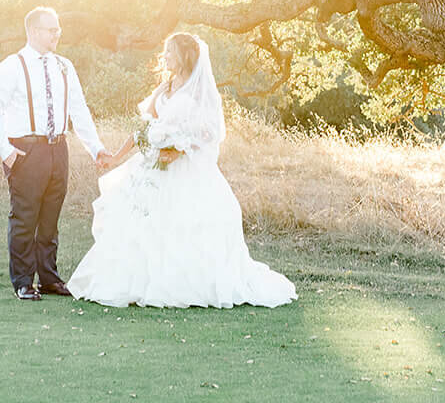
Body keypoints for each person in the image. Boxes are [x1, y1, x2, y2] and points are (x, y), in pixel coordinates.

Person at [68, 32, 296, 309]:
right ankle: (138, 283)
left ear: (184, 56)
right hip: (154, 166)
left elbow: (209, 133)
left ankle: (183, 285)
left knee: (183, 225)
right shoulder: (165, 87)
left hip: (186, 170)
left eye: (169, 52)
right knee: (143, 225)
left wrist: (178, 150)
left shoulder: (200, 91)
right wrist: (116, 156)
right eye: (164, 51)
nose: (164, 56)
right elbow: (145, 127)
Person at [0, 6, 112, 300]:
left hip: (58, 148)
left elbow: (79, 110)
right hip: (25, 150)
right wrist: (6, 152)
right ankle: (23, 282)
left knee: (50, 217)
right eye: (51, 29)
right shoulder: (12, 65)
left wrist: (96, 148)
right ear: (33, 31)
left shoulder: (64, 65)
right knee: (25, 216)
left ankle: (49, 278)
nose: (57, 34)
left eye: (58, 29)